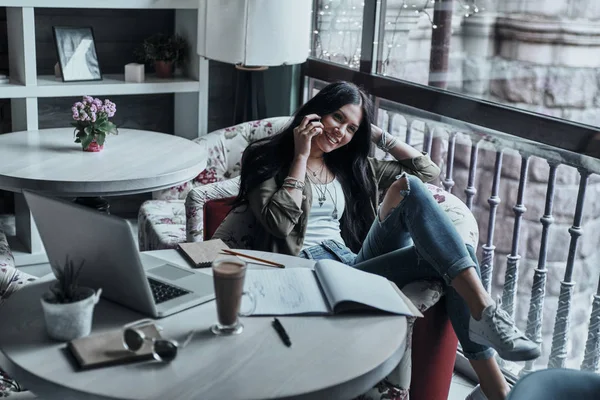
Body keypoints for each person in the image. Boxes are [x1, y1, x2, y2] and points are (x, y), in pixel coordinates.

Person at [213, 81, 540, 400]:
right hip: (314, 273)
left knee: (412, 190)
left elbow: (427, 170)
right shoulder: (266, 159)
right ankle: (494, 379)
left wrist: (376, 134)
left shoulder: (347, 166)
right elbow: (280, 224)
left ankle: (486, 333)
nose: (341, 131)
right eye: (337, 117)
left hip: (352, 262)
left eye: (352, 129)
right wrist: (300, 156)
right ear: (315, 113)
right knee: (457, 257)